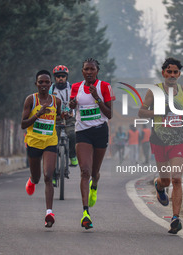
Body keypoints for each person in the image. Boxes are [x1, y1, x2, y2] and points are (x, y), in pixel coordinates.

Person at [138, 57, 183, 234]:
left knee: (177, 178)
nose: (172, 75)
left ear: (179, 74)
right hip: (159, 140)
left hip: (179, 140)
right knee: (165, 180)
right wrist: (158, 112)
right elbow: (141, 112)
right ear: (163, 73)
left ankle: (175, 218)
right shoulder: (154, 91)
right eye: (169, 72)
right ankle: (159, 185)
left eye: (175, 72)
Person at [69, 58, 115, 229]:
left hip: (100, 131)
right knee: (85, 171)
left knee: (95, 173)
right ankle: (85, 213)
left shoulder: (104, 87)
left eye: (92, 69)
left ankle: (94, 185)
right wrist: (72, 105)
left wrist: (96, 97)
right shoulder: (75, 87)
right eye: (86, 69)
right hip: (82, 132)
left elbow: (109, 114)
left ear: (97, 71)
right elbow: (72, 106)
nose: (89, 72)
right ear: (82, 72)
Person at [21, 70, 62, 228]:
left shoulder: (56, 101)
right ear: (36, 84)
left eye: (47, 82)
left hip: (50, 141)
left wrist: (62, 116)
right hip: (33, 142)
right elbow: (23, 124)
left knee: (48, 176)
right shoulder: (31, 100)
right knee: (38, 177)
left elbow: (56, 117)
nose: (44, 85)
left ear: (50, 84)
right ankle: (32, 180)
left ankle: (49, 213)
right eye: (41, 82)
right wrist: (38, 114)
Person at [50, 65, 78, 171]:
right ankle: (52, 174)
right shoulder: (51, 89)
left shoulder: (72, 88)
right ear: (55, 78)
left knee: (72, 134)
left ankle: (72, 155)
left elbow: (77, 102)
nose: (60, 78)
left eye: (63, 76)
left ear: (66, 77)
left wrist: (72, 110)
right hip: (55, 118)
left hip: (70, 117)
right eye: (58, 76)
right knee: (52, 142)